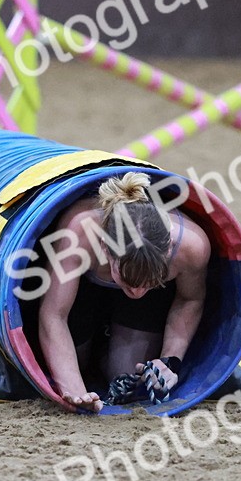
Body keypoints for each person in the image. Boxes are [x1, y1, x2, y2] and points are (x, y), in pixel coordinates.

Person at [38, 172, 210, 413]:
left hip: (154, 300)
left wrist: (170, 360)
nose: (138, 291)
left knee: (125, 374)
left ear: (169, 250)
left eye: (152, 280)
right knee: (75, 364)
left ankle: (110, 341)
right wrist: (74, 390)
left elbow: (190, 299)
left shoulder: (191, 246)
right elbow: (53, 315)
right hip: (84, 291)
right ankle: (96, 339)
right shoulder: (82, 232)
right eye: (128, 280)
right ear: (105, 248)